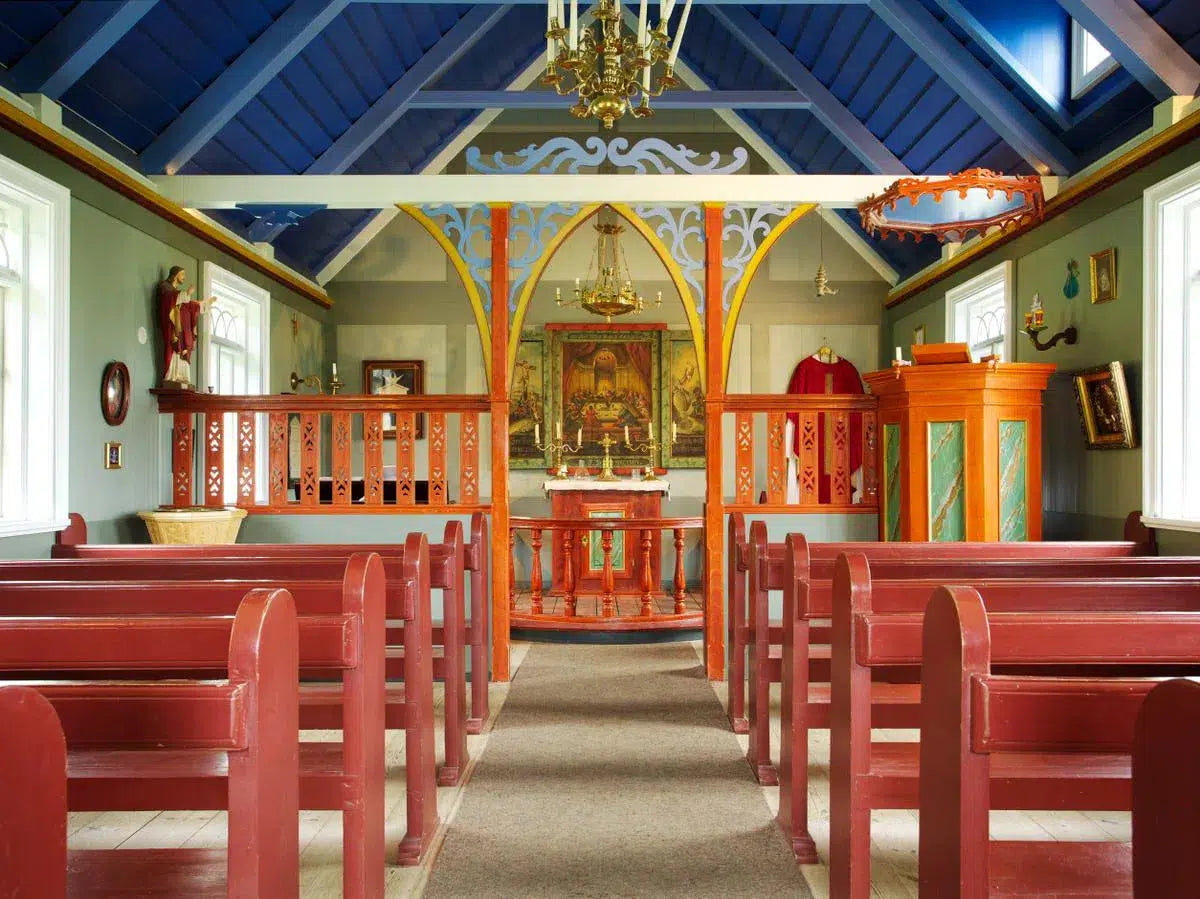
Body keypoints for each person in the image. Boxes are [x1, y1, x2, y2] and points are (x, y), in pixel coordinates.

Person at [157, 266, 214, 387]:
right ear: (175, 275)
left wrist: (201, 305)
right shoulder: (165, 287)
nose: (184, 277)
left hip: (181, 331)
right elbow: (169, 302)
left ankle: (181, 376)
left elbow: (186, 305)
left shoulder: (176, 292)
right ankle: (171, 376)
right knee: (173, 348)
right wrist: (185, 294)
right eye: (182, 274)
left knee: (184, 347)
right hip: (172, 329)